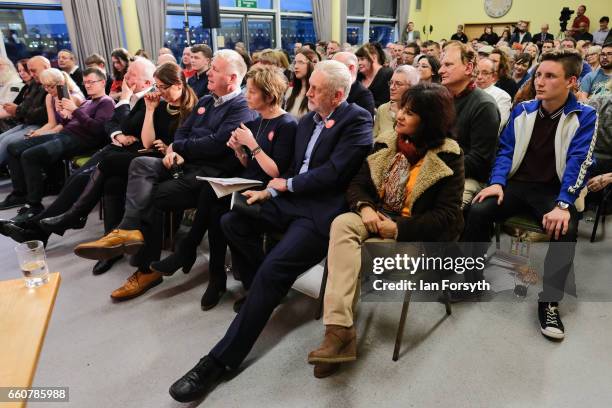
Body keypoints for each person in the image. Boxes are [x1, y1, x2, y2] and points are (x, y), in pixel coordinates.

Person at [167, 59, 373, 403]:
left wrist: (284, 185)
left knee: (273, 270)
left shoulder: (357, 120)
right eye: (310, 86)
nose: (307, 92)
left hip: (319, 212)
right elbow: (290, 169)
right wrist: (272, 189)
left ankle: (218, 362)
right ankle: (265, 285)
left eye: (316, 89)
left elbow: (334, 174)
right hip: (290, 198)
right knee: (231, 220)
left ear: (337, 95)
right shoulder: (308, 121)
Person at [73, 50, 257, 301]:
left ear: (232, 78)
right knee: (138, 164)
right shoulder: (205, 101)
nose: (208, 73)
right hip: (187, 166)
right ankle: (127, 230)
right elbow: (182, 133)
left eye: (215, 69)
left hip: (212, 177)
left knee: (153, 195)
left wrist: (182, 149)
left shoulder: (242, 106)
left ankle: (148, 267)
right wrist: (179, 147)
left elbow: (215, 145)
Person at [307, 83, 464, 377]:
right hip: (375, 217)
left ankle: (339, 338)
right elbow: (356, 184)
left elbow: (447, 216)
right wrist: (365, 207)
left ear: (429, 120)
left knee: (347, 257)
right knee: (342, 223)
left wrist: (399, 228)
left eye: (411, 112)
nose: (400, 115)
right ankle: (339, 330)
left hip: (410, 232)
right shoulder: (387, 142)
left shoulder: (449, 155)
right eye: (401, 108)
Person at [463, 49, 597, 339]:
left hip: (555, 189)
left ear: (572, 81)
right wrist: (497, 182)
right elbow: (505, 150)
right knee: (477, 210)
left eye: (550, 76)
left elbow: (580, 161)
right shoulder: (523, 110)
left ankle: (549, 301)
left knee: (566, 227)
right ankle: (469, 280)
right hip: (517, 185)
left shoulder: (585, 116)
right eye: (539, 74)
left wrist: (563, 204)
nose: (540, 81)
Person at [151, 65, 297, 310]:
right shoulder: (259, 121)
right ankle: (215, 276)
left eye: (251, 92)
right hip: (249, 179)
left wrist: (252, 145)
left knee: (210, 194)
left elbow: (276, 171)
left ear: (269, 96)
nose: (246, 95)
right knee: (216, 210)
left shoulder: (286, 124)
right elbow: (249, 163)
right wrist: (240, 151)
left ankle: (189, 250)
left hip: (267, 188)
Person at [0, 58, 158, 275]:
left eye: (132, 75)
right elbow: (113, 125)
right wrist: (119, 131)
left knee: (94, 179)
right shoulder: (130, 97)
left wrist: (121, 105)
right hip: (114, 149)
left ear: (147, 81)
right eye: (128, 73)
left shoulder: (148, 99)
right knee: (78, 178)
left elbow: (122, 125)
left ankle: (45, 229)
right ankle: (42, 229)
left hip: (131, 155)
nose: (126, 78)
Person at [2, 68, 112, 220]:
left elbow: (98, 130)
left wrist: (74, 110)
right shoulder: (88, 102)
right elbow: (71, 122)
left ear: (102, 82)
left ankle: (34, 204)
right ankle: (20, 193)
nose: (87, 85)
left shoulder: (106, 102)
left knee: (30, 156)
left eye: (91, 82)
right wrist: (66, 115)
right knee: (13, 147)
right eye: (85, 82)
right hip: (65, 135)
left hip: (79, 140)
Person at [438, 41, 500, 207]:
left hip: (467, 176)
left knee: (443, 210)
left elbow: (479, 162)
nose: (440, 70)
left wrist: (435, 165)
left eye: (448, 65)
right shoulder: (439, 98)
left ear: (468, 68)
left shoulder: (484, 105)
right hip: (438, 168)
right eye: (441, 64)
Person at [0, 57, 50, 177]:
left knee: (8, 142)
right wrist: (18, 110)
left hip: (41, 124)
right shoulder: (34, 84)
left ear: (46, 68)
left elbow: (44, 114)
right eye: (29, 70)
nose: (30, 74)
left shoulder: (51, 83)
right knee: (2, 137)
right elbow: (26, 105)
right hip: (27, 121)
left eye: (33, 71)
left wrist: (17, 110)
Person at [373, 65, 419, 139]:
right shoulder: (382, 109)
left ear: (412, 87)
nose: (392, 87)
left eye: (398, 84)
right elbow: (374, 139)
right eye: (391, 83)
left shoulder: (417, 112)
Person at [332, 52, 375, 118]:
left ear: (351, 68)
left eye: (336, 67)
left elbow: (363, 125)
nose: (330, 71)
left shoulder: (363, 95)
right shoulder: (330, 88)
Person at [475, 58, 512, 132]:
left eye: (485, 73)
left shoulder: (503, 97)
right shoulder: (467, 91)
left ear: (493, 76)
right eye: (477, 72)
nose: (479, 77)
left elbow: (496, 126)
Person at [355, 42, 394, 107]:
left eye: (362, 59)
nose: (359, 63)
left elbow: (386, 102)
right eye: (358, 60)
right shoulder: (358, 76)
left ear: (373, 57)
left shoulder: (387, 74)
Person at [284, 47, 319, 119]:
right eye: (295, 62)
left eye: (301, 62)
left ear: (312, 64)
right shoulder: (290, 91)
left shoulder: (318, 93)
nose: (296, 66)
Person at [0, 59, 29, 133]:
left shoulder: (16, 84)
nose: (22, 73)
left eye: (0, 66)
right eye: (20, 71)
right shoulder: (4, 82)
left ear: (8, 67)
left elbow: (6, 108)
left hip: (12, 121)